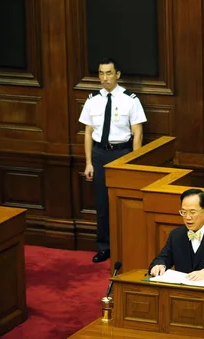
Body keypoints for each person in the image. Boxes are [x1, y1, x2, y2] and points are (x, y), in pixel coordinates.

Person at [79, 58, 147, 263]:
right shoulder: (92, 99)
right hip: (100, 154)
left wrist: (134, 163)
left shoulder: (130, 99)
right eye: (101, 73)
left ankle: (127, 246)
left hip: (122, 153)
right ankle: (104, 247)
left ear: (117, 75)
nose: (104, 78)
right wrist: (89, 162)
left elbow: (138, 133)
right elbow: (88, 132)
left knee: (124, 203)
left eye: (109, 73)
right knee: (102, 204)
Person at [149, 188, 204, 282]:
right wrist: (159, 265)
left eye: (192, 212)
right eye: (183, 212)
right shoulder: (176, 235)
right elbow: (163, 258)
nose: (187, 217)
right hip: (179, 293)